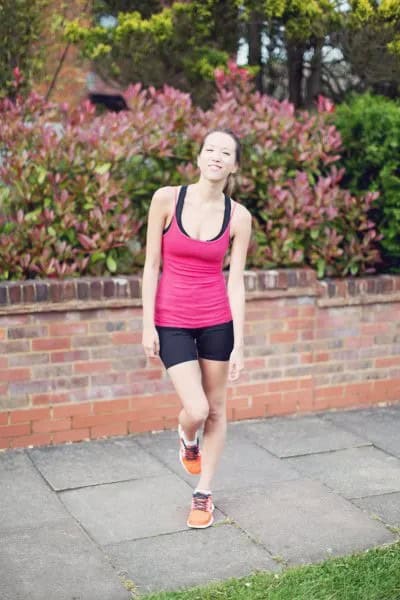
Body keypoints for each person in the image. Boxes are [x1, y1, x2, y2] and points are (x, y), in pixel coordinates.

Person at [141, 128, 252, 529]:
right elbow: (151, 266)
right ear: (199, 157)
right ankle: (188, 438)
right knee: (198, 409)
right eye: (210, 149)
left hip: (216, 322)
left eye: (226, 153)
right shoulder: (167, 199)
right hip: (171, 321)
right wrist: (146, 324)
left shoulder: (239, 217)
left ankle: (203, 493)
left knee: (218, 409)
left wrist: (239, 342)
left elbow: (235, 281)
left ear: (235, 165)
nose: (217, 157)